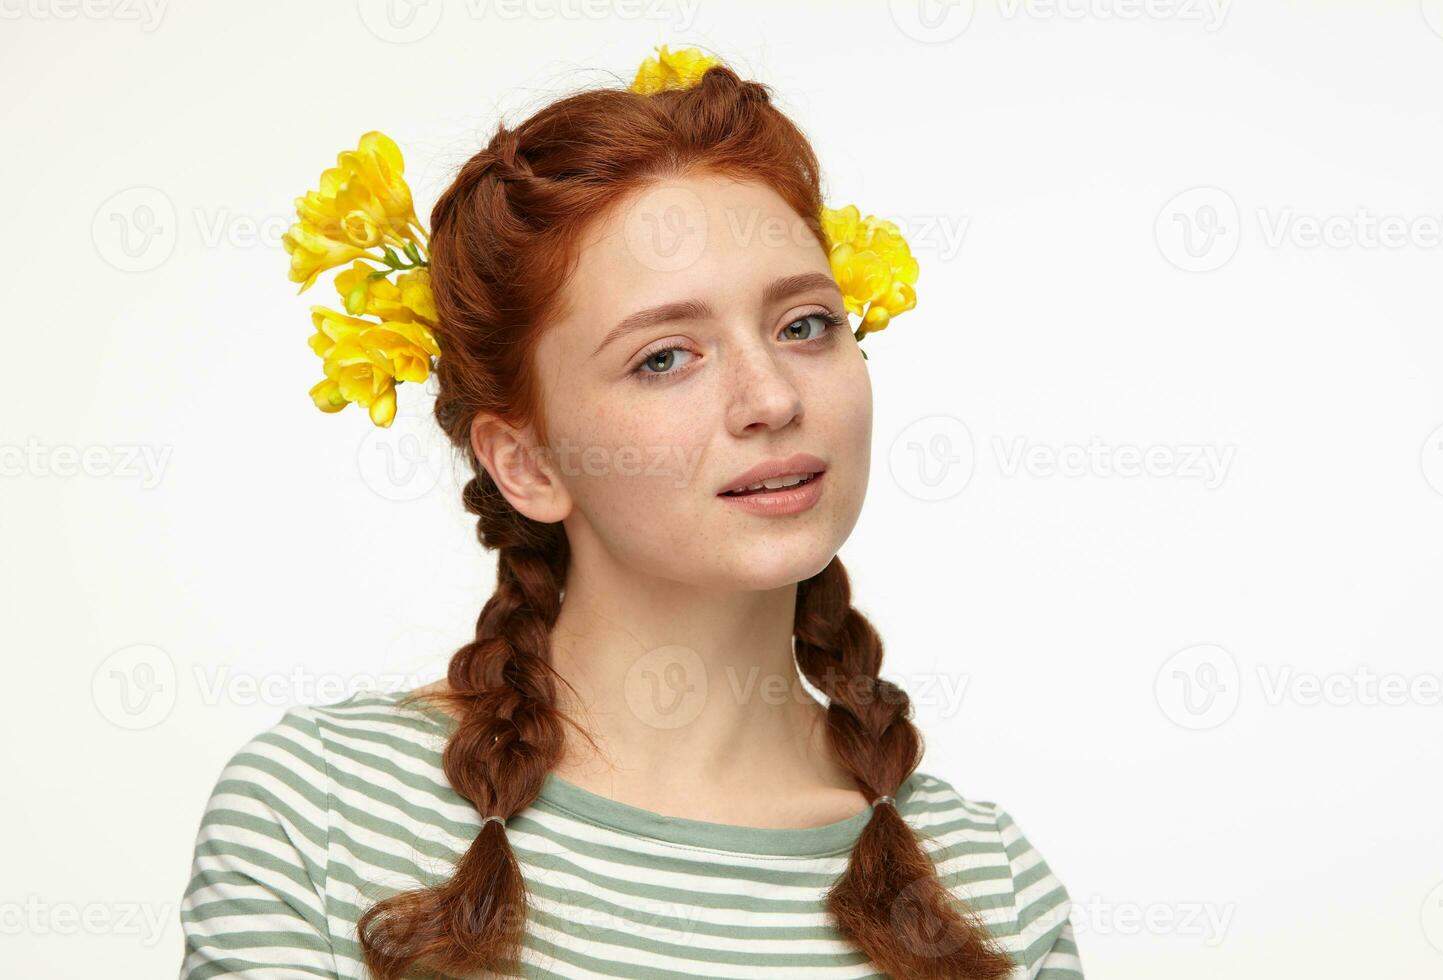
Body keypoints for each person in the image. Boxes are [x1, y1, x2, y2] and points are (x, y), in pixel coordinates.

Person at [178, 46, 1082, 980]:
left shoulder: (992, 887)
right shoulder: (321, 816)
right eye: (665, 357)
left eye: (804, 324)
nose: (770, 397)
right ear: (524, 463)